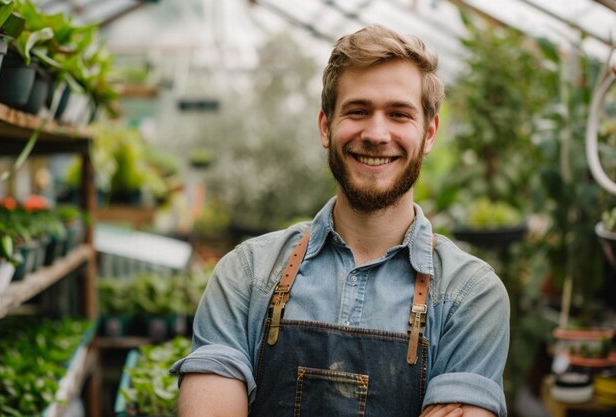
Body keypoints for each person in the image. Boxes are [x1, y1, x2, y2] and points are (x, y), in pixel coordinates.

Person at [172, 24, 510, 417]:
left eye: (399, 114)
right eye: (358, 111)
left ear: (429, 133)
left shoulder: (468, 295)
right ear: (325, 127)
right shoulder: (246, 275)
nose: (376, 133)